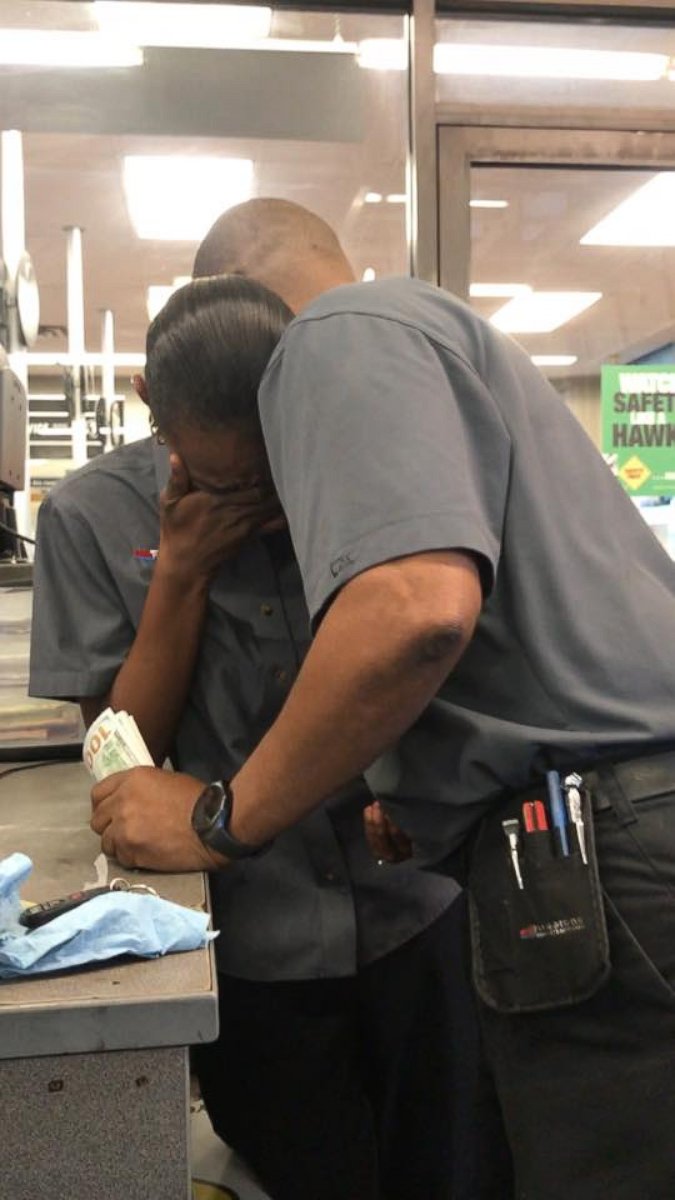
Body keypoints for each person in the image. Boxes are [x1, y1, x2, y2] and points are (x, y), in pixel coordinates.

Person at [89, 198, 675, 1200]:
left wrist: (219, 819)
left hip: (606, 845)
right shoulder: (446, 346)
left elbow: (415, 611)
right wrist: (430, 792)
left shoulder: (333, 341)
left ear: (245, 321)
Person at [29, 274, 507, 1200]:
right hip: (257, 937)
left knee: (459, 1168)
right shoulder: (89, 516)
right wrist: (182, 576)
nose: (270, 502)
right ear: (154, 417)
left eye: (276, 467)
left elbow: (437, 649)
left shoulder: (359, 475)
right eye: (232, 482)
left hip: (419, 910)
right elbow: (124, 753)